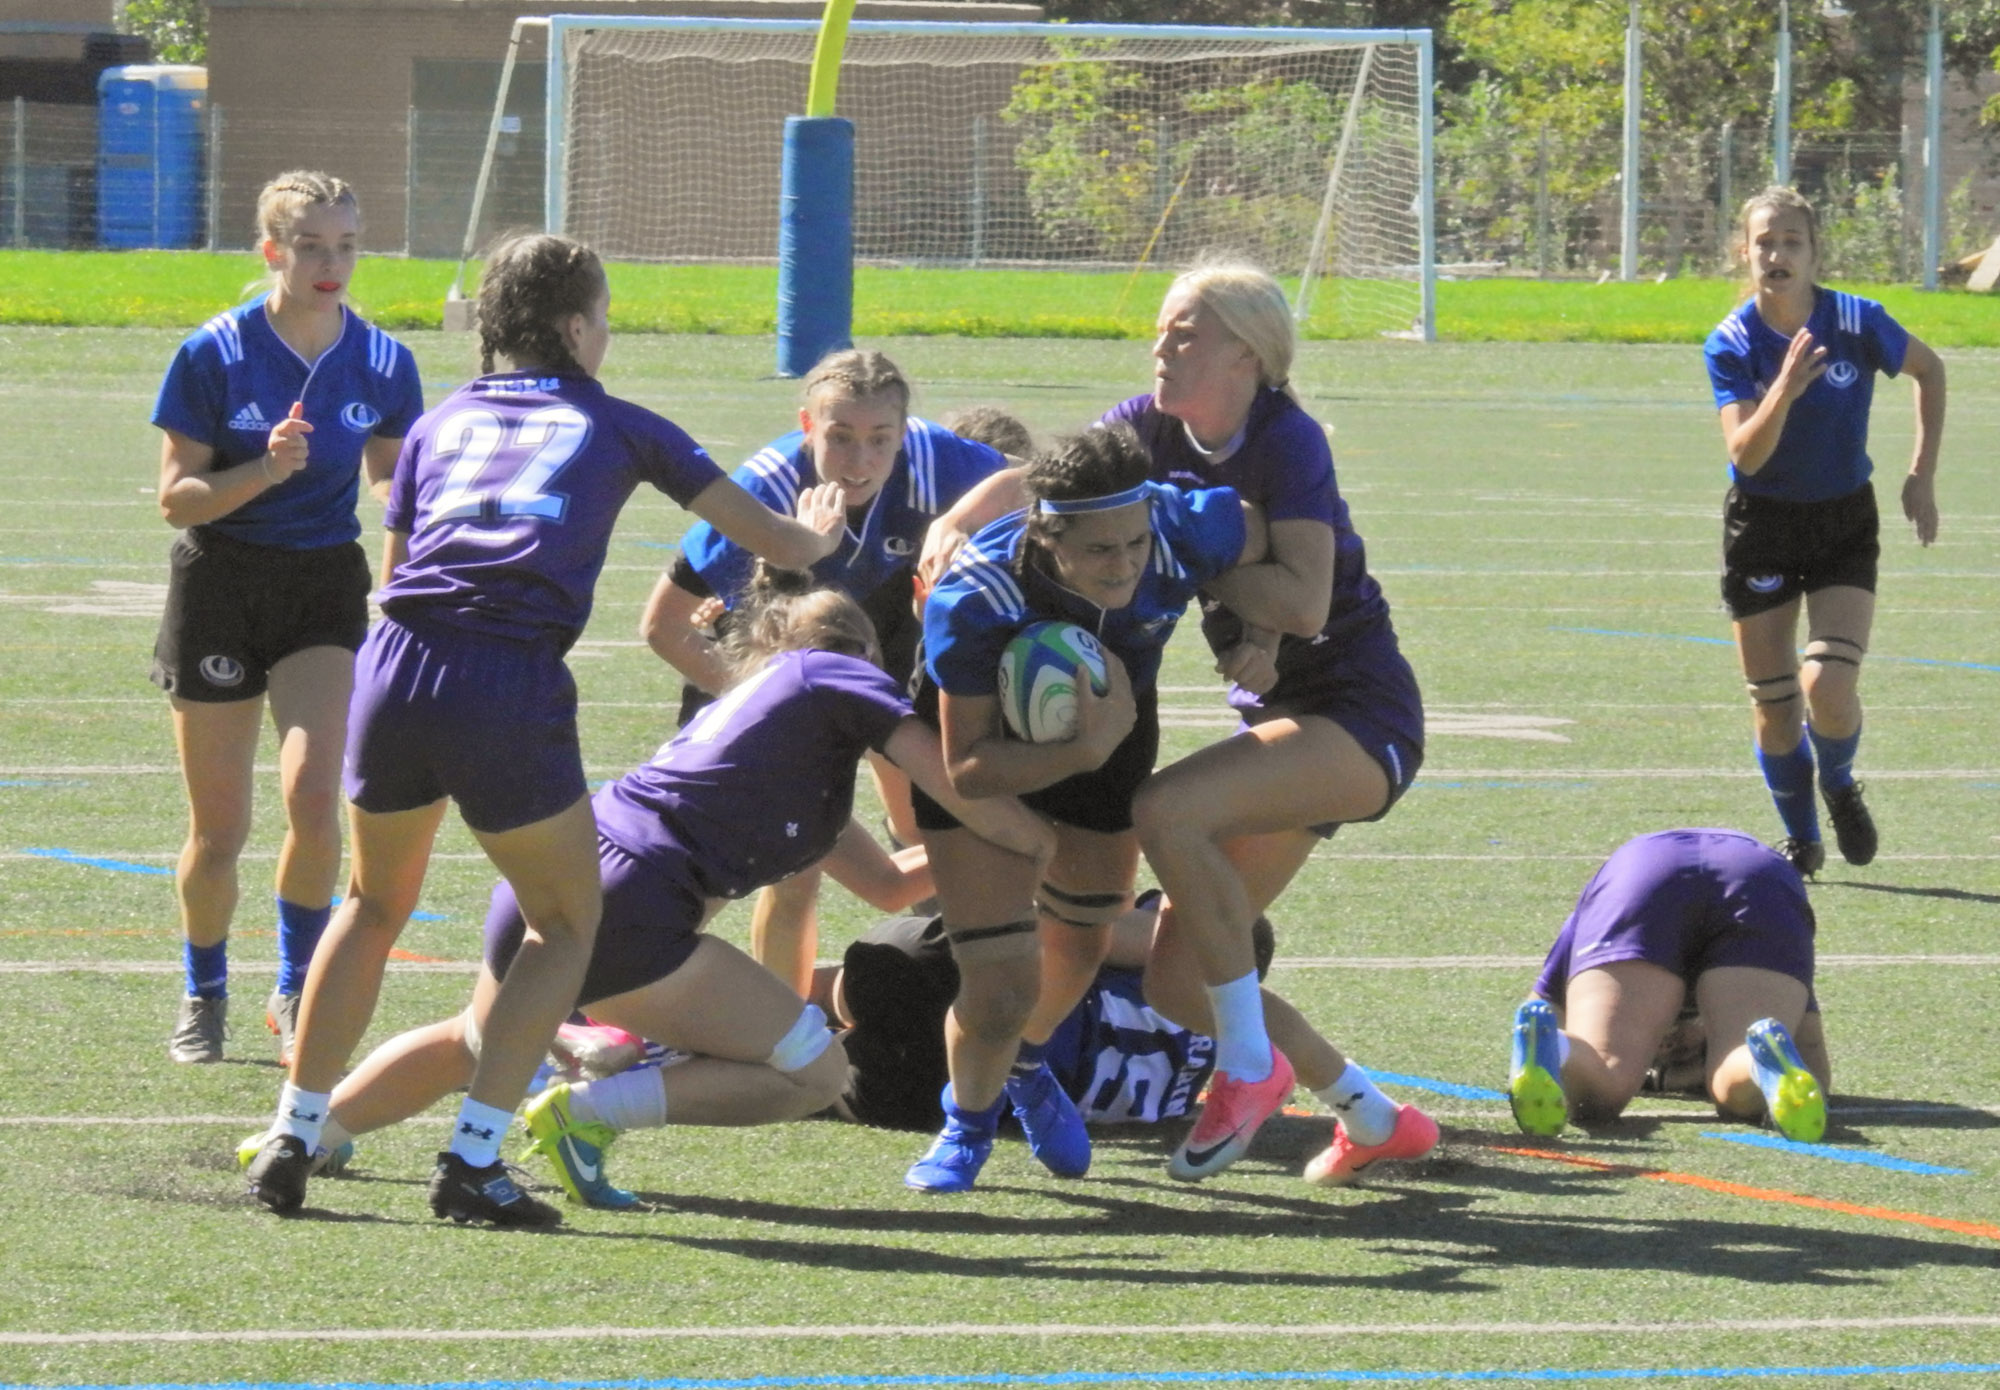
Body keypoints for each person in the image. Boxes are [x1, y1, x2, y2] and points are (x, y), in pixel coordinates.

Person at [243, 233, 846, 1226]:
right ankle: (474, 1158)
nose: (605, 336)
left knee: (369, 903)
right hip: (503, 674)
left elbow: (393, 575)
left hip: (393, 665)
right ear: (573, 327)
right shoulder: (619, 424)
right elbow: (774, 540)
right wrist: (817, 531)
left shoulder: (440, 422)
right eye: (602, 318)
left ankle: (292, 1133)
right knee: (566, 922)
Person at [287, 571, 1051, 1211]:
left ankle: (305, 1138)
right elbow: (955, 785)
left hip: (556, 876)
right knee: (815, 1074)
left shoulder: (779, 737)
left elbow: (889, 883)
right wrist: (1045, 838)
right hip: (630, 907)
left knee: (475, 1043)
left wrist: (1008, 867)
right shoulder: (833, 671)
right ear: (867, 653)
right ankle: (585, 1115)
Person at [929, 263, 1430, 1184]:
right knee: (1175, 981)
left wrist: (1163, 558)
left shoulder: (1287, 440)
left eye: (1183, 333)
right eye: (1162, 331)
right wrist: (960, 517)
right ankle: (1373, 1114)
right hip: (1283, 718)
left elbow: (1308, 600)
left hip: (1358, 714)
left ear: (1244, 354)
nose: (1160, 347)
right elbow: (1064, 479)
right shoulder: (1152, 425)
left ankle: (1246, 1070)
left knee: (1164, 809)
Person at [905, 423, 1267, 1194]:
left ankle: (1029, 1063)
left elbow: (1268, 521)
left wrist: (1252, 628)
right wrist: (1080, 749)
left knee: (1081, 940)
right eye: (1102, 550)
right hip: (990, 744)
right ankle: (966, 1123)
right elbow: (967, 768)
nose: (1127, 564)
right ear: (1049, 534)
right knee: (999, 980)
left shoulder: (1174, 528)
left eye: (1134, 543)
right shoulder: (978, 593)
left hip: (1114, 731)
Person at [150, 171, 425, 1066]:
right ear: (272, 252)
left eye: (346, 245)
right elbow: (177, 501)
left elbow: (392, 482)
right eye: (311, 246)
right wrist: (261, 471)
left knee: (315, 797)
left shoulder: (384, 362)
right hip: (221, 587)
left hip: (320, 587)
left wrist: (446, 504)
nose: (331, 263)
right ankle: (204, 987)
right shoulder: (214, 353)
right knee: (219, 830)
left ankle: (298, 985)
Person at [639, 351, 1015, 994]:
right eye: (839, 437)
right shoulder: (765, 489)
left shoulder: (939, 462)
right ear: (807, 427)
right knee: (786, 870)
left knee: (921, 815)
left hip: (872, 624)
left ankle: (955, 958)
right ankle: (744, 1018)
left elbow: (1043, 484)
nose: (859, 459)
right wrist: (777, 708)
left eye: (879, 439)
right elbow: (662, 625)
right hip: (762, 648)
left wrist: (958, 525)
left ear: (905, 432)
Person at [827, 894, 1437, 1188]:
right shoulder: (1191, 1082)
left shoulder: (1170, 967)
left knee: (903, 957)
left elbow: (1068, 933)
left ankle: (777, 1001)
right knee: (811, 1067)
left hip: (965, 1005)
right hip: (938, 1093)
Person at [1704, 185, 1947, 878]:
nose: (1776, 254)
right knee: (1775, 708)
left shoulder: (1856, 319)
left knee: (1828, 688)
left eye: (1791, 242)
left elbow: (1929, 370)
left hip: (1844, 516)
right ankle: (1802, 837)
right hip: (1763, 525)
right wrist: (1782, 389)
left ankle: (1838, 781)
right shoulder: (1731, 342)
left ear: (1813, 255)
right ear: (1743, 253)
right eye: (1764, 243)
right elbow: (1745, 453)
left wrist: (1920, 474)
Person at [1506, 828, 1831, 1144]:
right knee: (1738, 1082)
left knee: (1604, 1079)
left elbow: (1540, 1015)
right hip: (1757, 874)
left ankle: (1558, 1049)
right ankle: (1756, 1062)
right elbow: (1808, 1055)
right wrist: (1696, 1073)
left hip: (1643, 869)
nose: (1670, 1047)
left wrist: (1654, 1073)